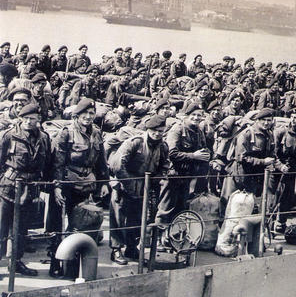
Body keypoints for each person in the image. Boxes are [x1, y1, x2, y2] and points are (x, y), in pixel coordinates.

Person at [108, 115, 170, 264]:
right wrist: (130, 185)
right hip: (123, 184)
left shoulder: (163, 147)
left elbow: (164, 166)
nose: (157, 133)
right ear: (148, 129)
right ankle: (116, 250)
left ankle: (131, 247)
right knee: (118, 217)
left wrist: (156, 180)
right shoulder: (135, 142)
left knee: (136, 219)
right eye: (154, 130)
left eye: (160, 131)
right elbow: (117, 165)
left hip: (145, 186)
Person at [0, 103, 52, 276]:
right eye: (27, 119)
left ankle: (15, 262)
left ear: (39, 120)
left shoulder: (43, 138)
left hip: (29, 189)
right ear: (21, 118)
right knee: (1, 227)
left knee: (22, 230)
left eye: (34, 119)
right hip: (8, 188)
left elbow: (47, 163)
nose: (30, 122)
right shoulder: (9, 136)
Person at [51, 98, 109, 247]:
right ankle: (56, 260)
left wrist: (104, 183)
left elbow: (101, 161)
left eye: (91, 113)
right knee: (56, 224)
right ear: (77, 115)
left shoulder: (96, 133)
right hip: (67, 185)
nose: (88, 117)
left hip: (85, 186)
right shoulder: (66, 133)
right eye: (85, 113)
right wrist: (57, 186)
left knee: (79, 222)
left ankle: (74, 256)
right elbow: (58, 162)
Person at [156, 105, 209, 225]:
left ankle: (173, 238)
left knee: (181, 208)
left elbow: (203, 148)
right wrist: (193, 156)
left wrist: (206, 154)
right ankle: (157, 238)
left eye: (198, 115)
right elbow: (171, 153)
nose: (196, 118)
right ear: (186, 116)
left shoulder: (198, 132)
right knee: (165, 208)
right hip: (172, 174)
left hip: (187, 175)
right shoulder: (178, 129)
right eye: (193, 115)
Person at [271, 107, 296, 232]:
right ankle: (268, 224)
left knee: (287, 198)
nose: (293, 120)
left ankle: (281, 223)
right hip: (277, 170)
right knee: (274, 197)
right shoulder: (280, 132)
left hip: (292, 170)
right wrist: (280, 166)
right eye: (291, 117)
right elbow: (273, 153)